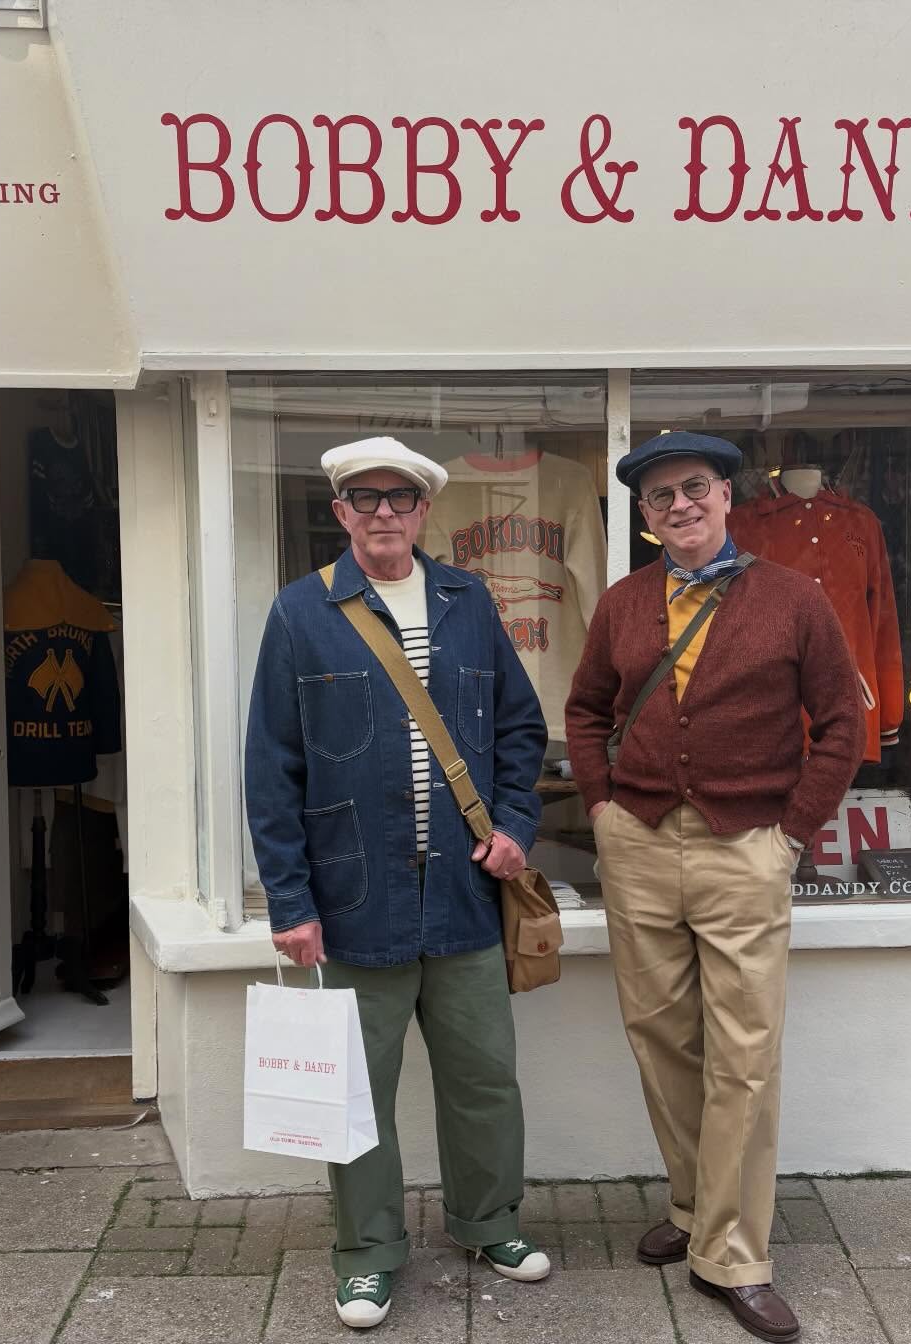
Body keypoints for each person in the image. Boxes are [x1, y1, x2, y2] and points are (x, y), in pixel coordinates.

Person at [245, 436, 552, 1330]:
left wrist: (514, 828)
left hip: (462, 895)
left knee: (485, 1076)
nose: (384, 513)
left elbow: (522, 732)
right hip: (352, 900)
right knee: (357, 1093)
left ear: (425, 512)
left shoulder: (466, 601)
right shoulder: (302, 613)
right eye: (364, 499)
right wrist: (291, 904)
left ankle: (489, 1222)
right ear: (339, 512)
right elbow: (273, 771)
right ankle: (368, 1255)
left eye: (400, 499)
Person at [565, 432, 865, 1344]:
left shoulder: (793, 598)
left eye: (694, 488)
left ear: (728, 496)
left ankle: (735, 1254)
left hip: (747, 848)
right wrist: (604, 807)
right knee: (661, 1037)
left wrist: (793, 835)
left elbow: (845, 722)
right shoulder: (622, 603)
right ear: (646, 519)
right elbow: (585, 711)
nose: (679, 507)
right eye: (659, 499)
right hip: (641, 842)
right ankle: (695, 1208)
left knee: (744, 1050)